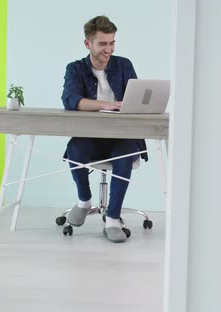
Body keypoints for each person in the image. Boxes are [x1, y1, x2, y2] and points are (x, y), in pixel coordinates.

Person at [61, 15, 148, 243]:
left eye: (111, 43)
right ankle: (84, 201)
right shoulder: (76, 69)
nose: (108, 49)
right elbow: (71, 100)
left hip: (120, 136)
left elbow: (137, 98)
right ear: (87, 43)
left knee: (125, 155)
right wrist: (105, 105)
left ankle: (112, 218)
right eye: (102, 44)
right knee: (75, 150)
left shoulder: (124, 65)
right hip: (90, 136)